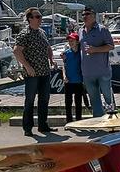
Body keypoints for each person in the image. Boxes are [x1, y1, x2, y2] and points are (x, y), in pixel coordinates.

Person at [13, 8, 55, 136]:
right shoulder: (25, 34)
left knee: (44, 99)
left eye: (40, 16)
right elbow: (16, 51)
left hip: (44, 71)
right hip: (32, 74)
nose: (40, 19)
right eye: (37, 17)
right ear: (30, 19)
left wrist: (51, 59)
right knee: (30, 100)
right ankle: (28, 128)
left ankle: (43, 125)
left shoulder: (42, 32)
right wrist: (27, 67)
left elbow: (47, 47)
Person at [78, 7, 116, 117]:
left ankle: (112, 117)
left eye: (87, 14)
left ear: (94, 16)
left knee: (107, 96)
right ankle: (98, 119)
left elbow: (111, 46)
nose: (84, 16)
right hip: (87, 72)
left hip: (102, 71)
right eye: (83, 14)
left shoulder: (102, 30)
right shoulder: (80, 30)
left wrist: (95, 49)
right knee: (94, 99)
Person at [61, 32, 89, 123]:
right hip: (68, 81)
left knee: (78, 102)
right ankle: (69, 121)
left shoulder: (81, 53)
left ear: (77, 42)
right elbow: (64, 66)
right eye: (69, 41)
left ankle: (78, 121)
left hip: (79, 81)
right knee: (68, 103)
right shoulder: (66, 53)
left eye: (72, 41)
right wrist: (64, 76)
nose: (70, 42)